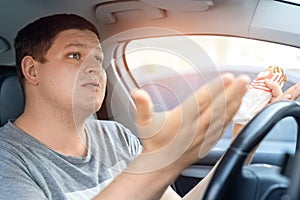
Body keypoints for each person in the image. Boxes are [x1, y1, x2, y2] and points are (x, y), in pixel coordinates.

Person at [0, 13, 298, 200]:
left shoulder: (116, 136)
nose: (95, 70)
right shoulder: (8, 160)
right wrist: (163, 162)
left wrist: (245, 136)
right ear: (32, 70)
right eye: (75, 56)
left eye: (98, 61)